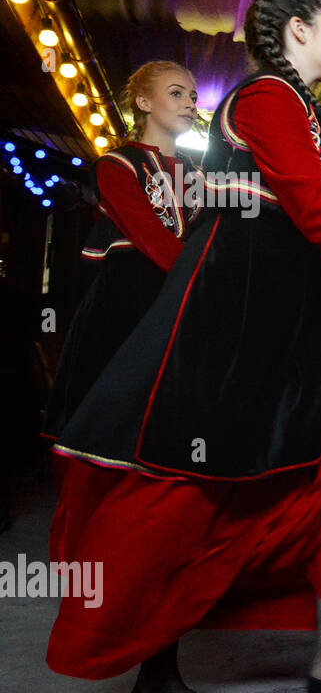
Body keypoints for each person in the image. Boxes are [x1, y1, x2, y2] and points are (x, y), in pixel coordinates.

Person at [45, 0, 321, 693]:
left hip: (299, 333)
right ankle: (153, 667)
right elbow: (319, 214)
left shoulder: (304, 112)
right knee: (191, 490)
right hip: (232, 329)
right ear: (298, 31)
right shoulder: (264, 98)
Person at [44, 62, 203, 438]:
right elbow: (147, 233)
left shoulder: (199, 174)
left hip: (182, 297)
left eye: (193, 97)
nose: (189, 104)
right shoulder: (115, 164)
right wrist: (204, 281)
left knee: (172, 425)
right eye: (176, 93)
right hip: (127, 301)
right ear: (144, 102)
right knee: (115, 421)